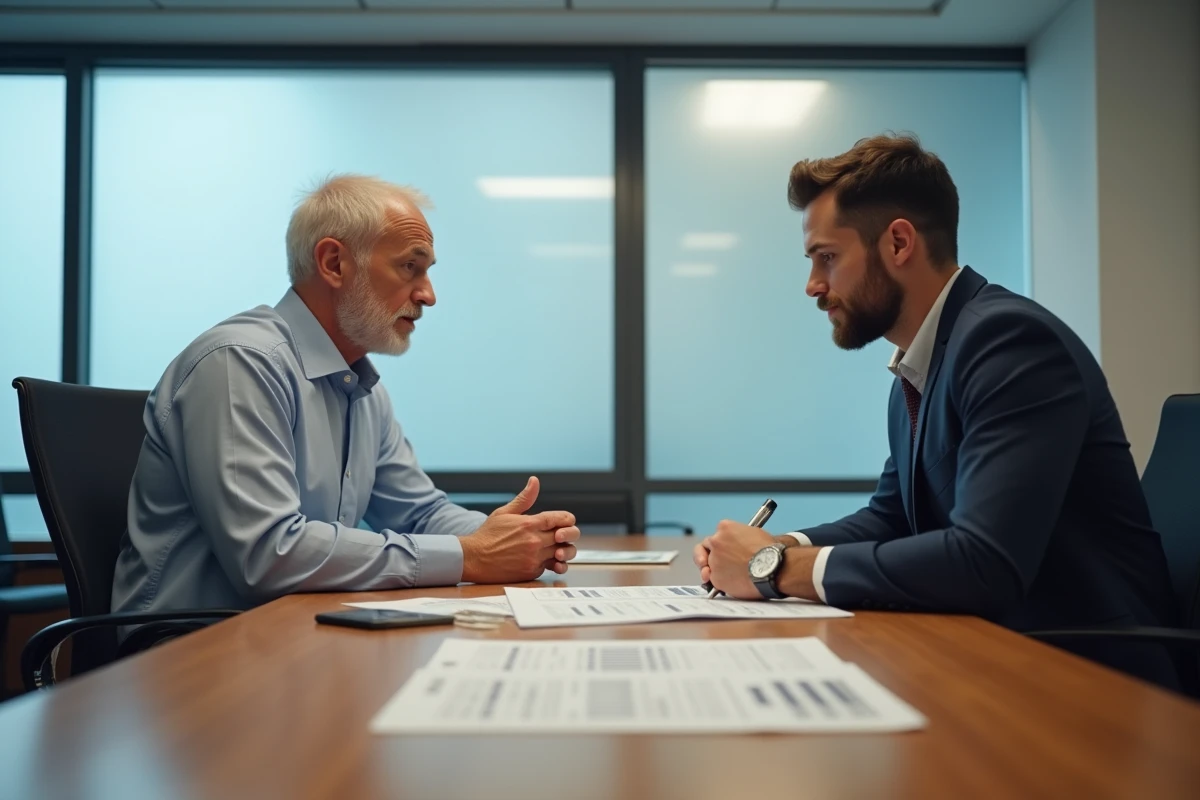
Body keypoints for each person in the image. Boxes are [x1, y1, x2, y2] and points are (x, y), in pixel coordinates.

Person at [693, 135, 1179, 689]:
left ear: (899, 243)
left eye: (827, 257)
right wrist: (779, 546)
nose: (813, 286)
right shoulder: (923, 363)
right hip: (999, 656)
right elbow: (893, 517)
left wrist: (775, 570)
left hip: (1093, 678)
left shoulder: (1009, 342)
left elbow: (985, 562)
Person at [112, 175, 580, 615]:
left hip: (287, 633)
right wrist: (470, 555)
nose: (428, 295)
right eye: (410, 267)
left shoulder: (361, 386)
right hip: (188, 649)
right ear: (334, 263)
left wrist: (512, 537)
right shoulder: (240, 363)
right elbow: (269, 555)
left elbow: (420, 513)